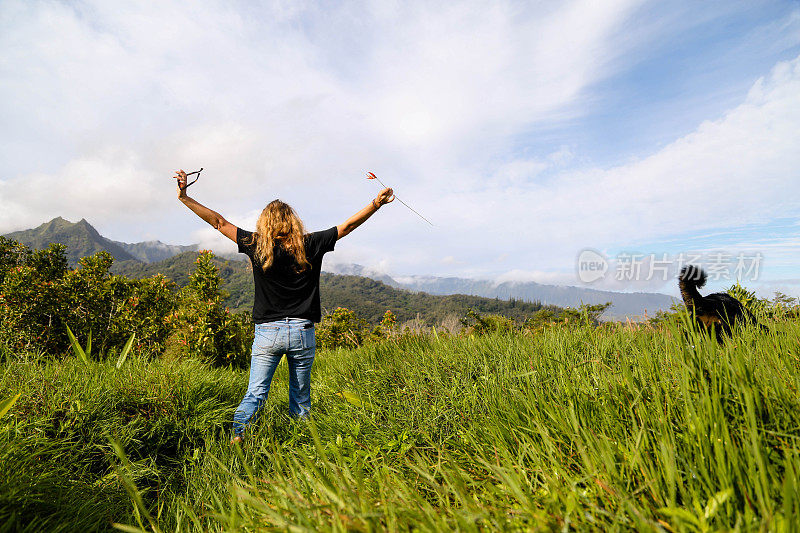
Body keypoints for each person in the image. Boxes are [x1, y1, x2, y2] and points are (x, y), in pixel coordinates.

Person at [175, 170, 394, 444]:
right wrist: (377, 203)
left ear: (264, 223)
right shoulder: (311, 244)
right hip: (303, 331)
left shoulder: (256, 245)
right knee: (300, 397)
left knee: (256, 392)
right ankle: (299, 448)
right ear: (293, 221)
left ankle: (238, 439)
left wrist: (185, 197)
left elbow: (218, 222)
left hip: (268, 332)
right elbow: (347, 226)